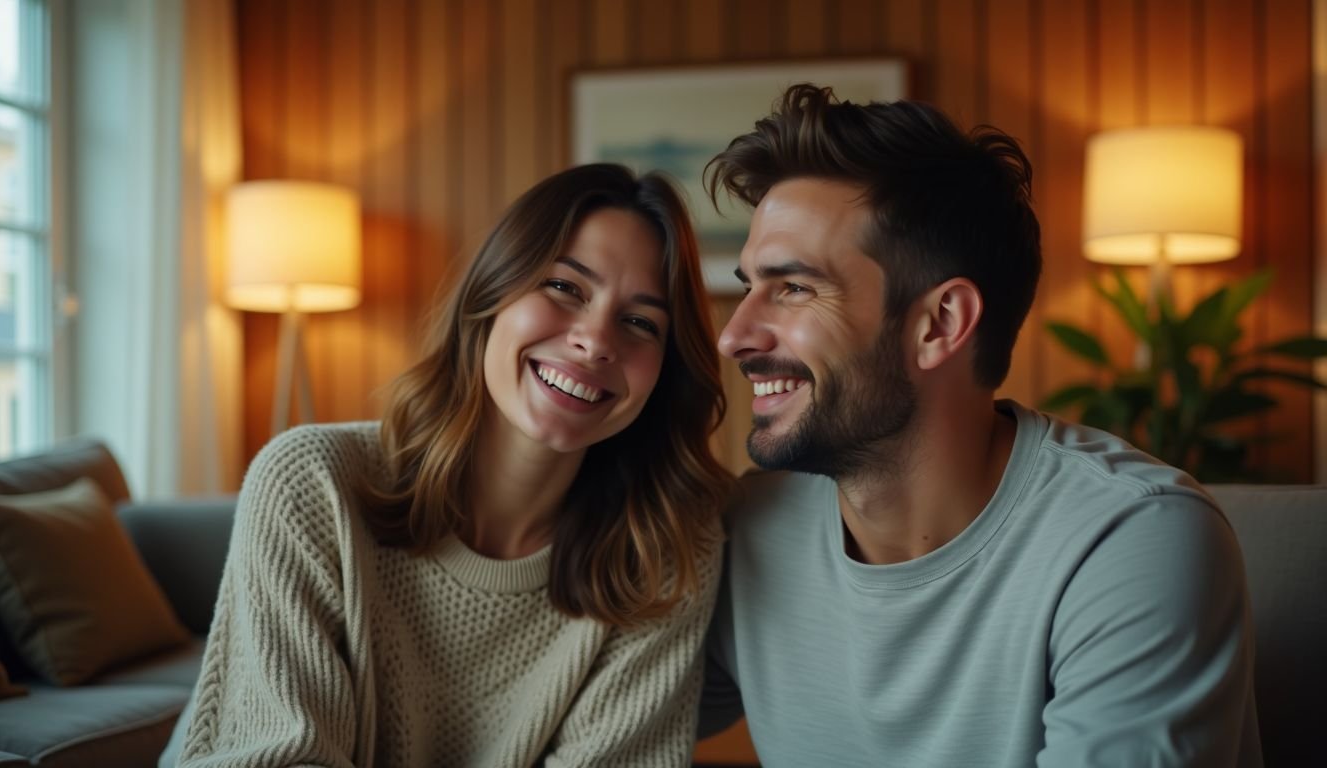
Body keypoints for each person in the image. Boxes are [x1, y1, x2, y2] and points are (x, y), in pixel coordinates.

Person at [697, 84, 1261, 766]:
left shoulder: (1133, 539)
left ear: (939, 325)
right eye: (749, 283)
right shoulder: (750, 528)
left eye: (792, 287)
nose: (734, 336)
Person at [168, 163, 734, 766]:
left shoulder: (664, 548)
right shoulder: (311, 483)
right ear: (491, 295)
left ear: (664, 372)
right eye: (565, 288)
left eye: (640, 322)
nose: (596, 341)